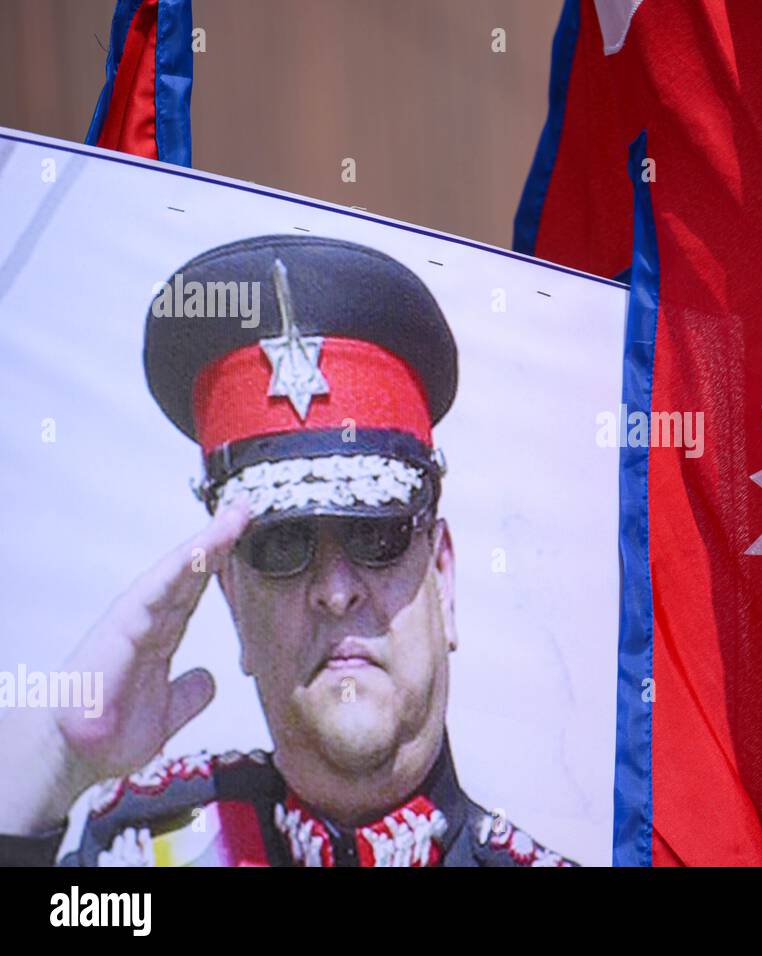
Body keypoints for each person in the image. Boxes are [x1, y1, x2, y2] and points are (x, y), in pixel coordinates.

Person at [0, 235, 575, 867]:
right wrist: (57, 762)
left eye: (376, 537)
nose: (336, 590)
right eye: (281, 545)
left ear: (443, 579)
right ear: (234, 603)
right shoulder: (141, 853)